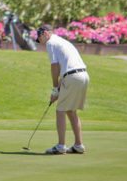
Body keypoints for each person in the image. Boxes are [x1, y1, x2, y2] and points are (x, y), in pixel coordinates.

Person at [36, 24, 90, 154]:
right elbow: (65, 69)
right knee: (71, 111)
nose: (40, 42)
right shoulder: (63, 42)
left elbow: (55, 67)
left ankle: (61, 146)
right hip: (83, 76)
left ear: (45, 33)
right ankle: (78, 145)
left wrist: (55, 89)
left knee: (60, 110)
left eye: (40, 39)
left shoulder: (51, 43)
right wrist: (58, 90)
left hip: (72, 76)